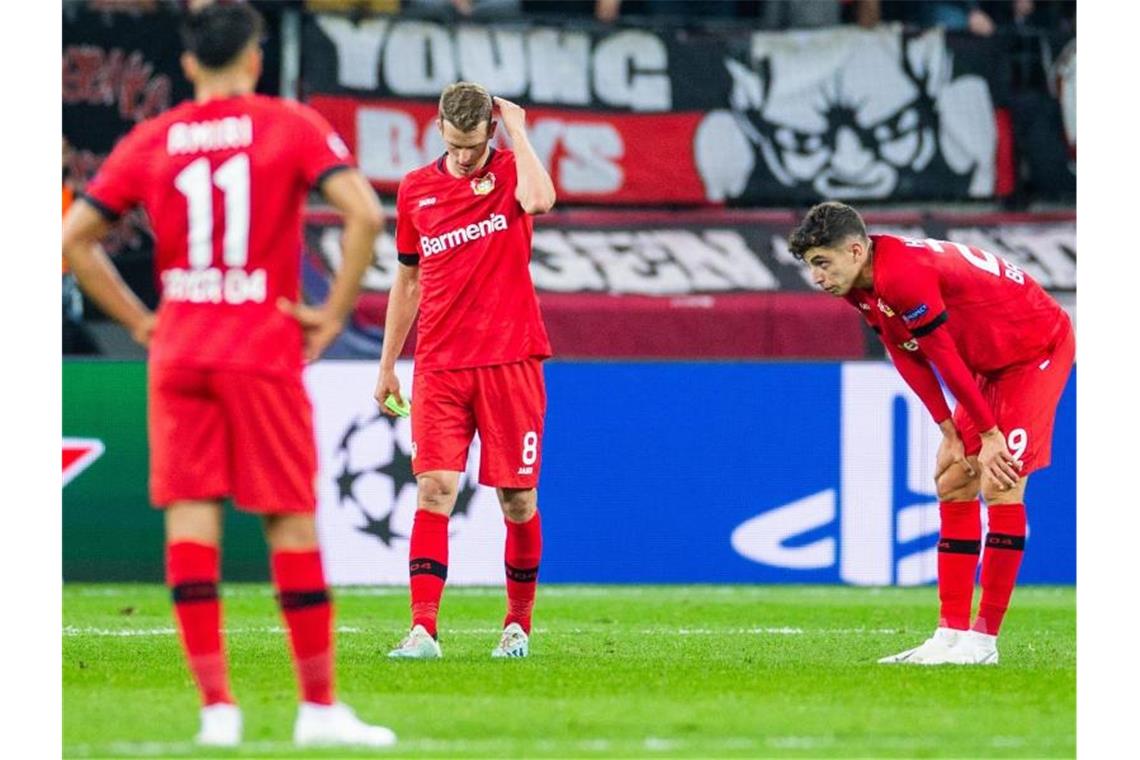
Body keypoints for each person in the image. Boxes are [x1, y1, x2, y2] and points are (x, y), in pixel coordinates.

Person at [61, 4, 395, 747]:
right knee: (288, 519)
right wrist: (332, 313)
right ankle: (317, 710)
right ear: (254, 58)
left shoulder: (154, 138)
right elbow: (365, 215)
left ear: (186, 65)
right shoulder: (290, 124)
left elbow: (76, 239)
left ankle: (217, 711)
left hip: (181, 346)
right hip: (261, 344)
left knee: (191, 517)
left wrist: (143, 319)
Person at [788, 201, 1074, 665]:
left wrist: (990, 434)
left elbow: (942, 355)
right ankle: (948, 634)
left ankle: (983, 643)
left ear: (856, 249)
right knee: (952, 479)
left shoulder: (903, 274)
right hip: (987, 361)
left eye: (822, 262)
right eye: (811, 265)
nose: (817, 276)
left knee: (1000, 482)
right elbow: (906, 352)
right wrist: (948, 429)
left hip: (1032, 350)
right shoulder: (860, 283)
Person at [375, 82, 555, 660]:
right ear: (439, 129)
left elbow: (541, 202)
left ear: (492, 132)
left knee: (517, 501)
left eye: (473, 147)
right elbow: (408, 281)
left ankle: (517, 626)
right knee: (433, 489)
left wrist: (520, 132)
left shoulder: (511, 172)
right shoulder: (416, 190)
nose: (463, 156)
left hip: (510, 360)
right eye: (453, 145)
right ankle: (424, 630)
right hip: (440, 365)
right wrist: (388, 367)